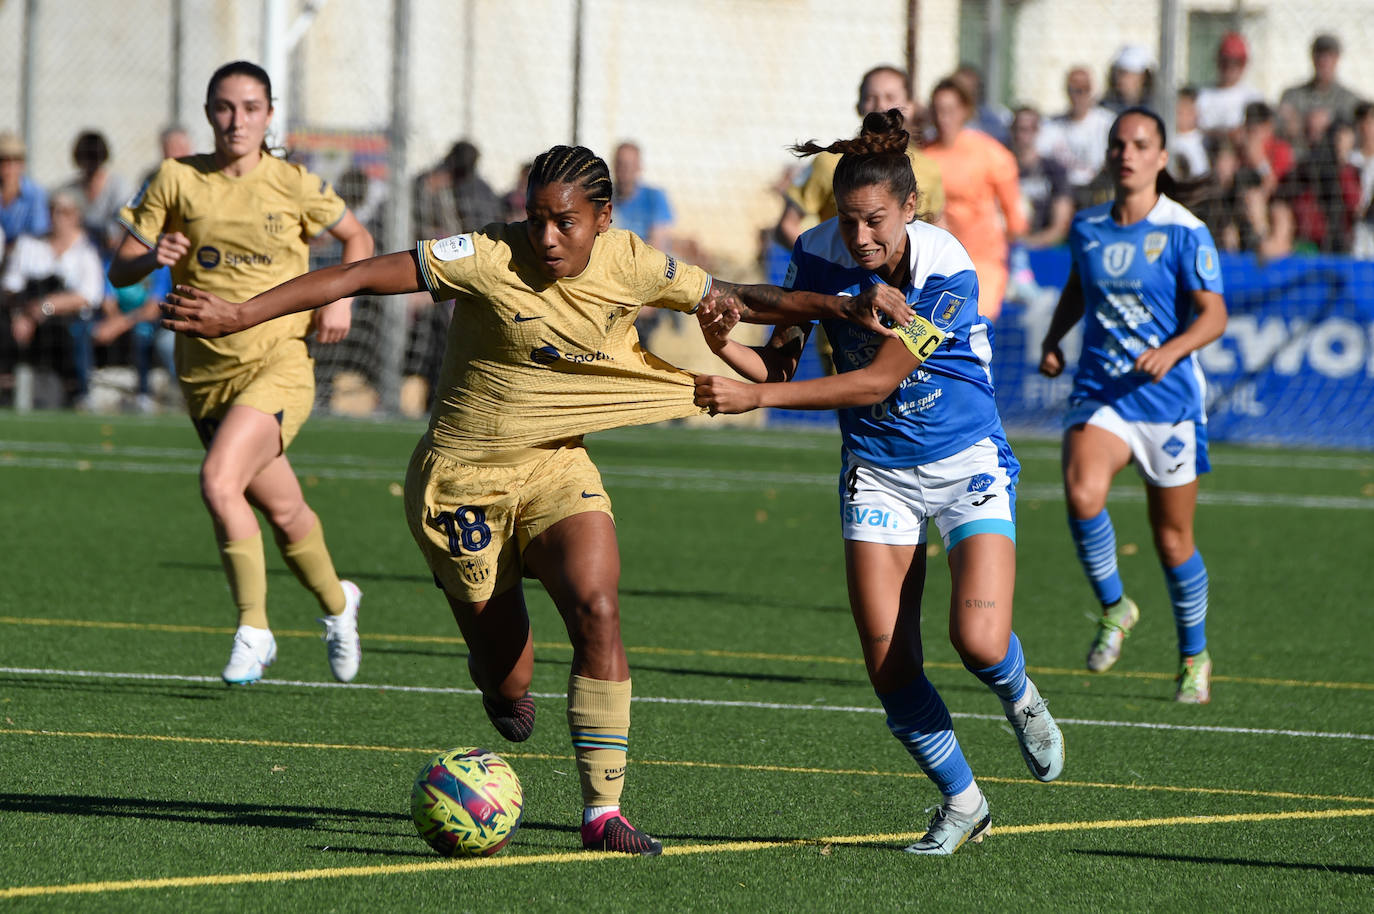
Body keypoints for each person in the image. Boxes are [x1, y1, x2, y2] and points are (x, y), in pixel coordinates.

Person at [160, 142, 909, 855]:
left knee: (598, 608)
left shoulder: (631, 261)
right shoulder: (485, 255)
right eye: (537, 218)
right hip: (459, 483)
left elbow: (736, 296)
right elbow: (355, 276)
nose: (547, 237)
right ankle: (494, 683)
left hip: (554, 467)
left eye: (565, 222)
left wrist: (840, 306)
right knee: (509, 684)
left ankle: (602, 812)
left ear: (603, 219)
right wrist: (240, 313)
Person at [693, 110, 1065, 856]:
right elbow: (781, 361)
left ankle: (1020, 695)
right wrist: (724, 344)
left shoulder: (946, 265)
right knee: (888, 662)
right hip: (876, 472)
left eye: (876, 221)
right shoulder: (814, 252)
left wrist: (756, 400)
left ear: (910, 208)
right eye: (847, 219)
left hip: (964, 462)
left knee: (979, 642)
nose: (861, 238)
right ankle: (963, 803)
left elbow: (875, 380)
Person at [108, 60, 374, 686]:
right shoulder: (176, 179)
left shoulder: (293, 182)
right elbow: (119, 270)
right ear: (208, 113)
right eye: (225, 107)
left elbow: (357, 238)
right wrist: (152, 256)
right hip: (205, 376)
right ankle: (339, 604)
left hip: (279, 363)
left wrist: (340, 299)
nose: (237, 120)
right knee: (284, 512)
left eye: (251, 108)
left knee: (218, 482)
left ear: (268, 115)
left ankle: (254, 629)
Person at [1037, 107, 1228, 703]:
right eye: (1119, 144)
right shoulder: (1088, 226)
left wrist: (1172, 350)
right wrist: (1053, 338)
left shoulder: (1184, 230)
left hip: (1167, 403)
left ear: (1161, 157)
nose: (1127, 154)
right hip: (1102, 392)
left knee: (1172, 541)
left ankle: (1194, 655)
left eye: (1141, 145)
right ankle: (1115, 606)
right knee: (1082, 494)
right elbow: (1078, 287)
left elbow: (1214, 315)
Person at [776, 65, 945, 247]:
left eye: (890, 97)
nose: (880, 106)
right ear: (859, 106)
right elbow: (787, 226)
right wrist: (823, 259)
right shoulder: (830, 163)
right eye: (871, 98)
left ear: (911, 106)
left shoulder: (928, 168)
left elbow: (939, 230)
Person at [924, 78, 1027, 320]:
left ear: (965, 111)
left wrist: (1014, 244)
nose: (943, 118)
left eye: (950, 110)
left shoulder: (990, 153)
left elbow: (1014, 213)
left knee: (975, 322)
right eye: (937, 110)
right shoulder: (924, 156)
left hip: (982, 259)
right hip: (937, 261)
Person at [1, 190, 106, 407]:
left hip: (68, 320)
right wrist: (22, 315)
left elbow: (89, 296)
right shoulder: (29, 244)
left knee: (77, 332)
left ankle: (78, 392)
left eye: (64, 211)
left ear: (76, 215)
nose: (57, 217)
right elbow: (10, 287)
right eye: (53, 210)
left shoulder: (86, 250)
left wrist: (46, 307)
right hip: (25, 314)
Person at [1038, 66, 1118, 201]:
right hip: (1062, 193)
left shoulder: (1107, 123)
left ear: (1092, 91)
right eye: (1074, 90)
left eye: (1084, 89)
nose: (1078, 95)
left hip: (1098, 191)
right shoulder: (1051, 126)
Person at [1278, 34, 1365, 154]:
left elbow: (1365, 134)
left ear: (1337, 59)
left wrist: (1332, 121)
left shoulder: (1351, 100)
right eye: (1319, 55)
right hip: (1299, 159)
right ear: (1312, 57)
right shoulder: (1293, 95)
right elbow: (1276, 127)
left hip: (1335, 161)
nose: (1324, 61)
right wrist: (1302, 123)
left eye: (1329, 56)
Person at [61, 130, 132, 258]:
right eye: (86, 157)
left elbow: (126, 222)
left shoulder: (118, 186)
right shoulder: (72, 190)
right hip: (81, 252)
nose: (90, 163)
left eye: (94, 157)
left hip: (113, 253)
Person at [1011, 107, 1074, 248]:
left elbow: (1060, 225)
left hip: (1045, 248)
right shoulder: (1002, 169)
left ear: (1037, 131)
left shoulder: (1054, 170)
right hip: (1010, 245)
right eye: (1017, 129)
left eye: (1027, 129)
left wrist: (1031, 243)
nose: (1020, 135)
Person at [1194, 32, 1263, 137]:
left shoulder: (1253, 98)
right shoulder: (1201, 95)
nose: (1230, 67)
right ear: (1218, 61)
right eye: (1225, 61)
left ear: (1245, 65)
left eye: (1237, 62)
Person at [611, 142, 674, 251]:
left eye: (630, 165)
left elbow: (656, 246)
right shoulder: (604, 198)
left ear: (639, 167)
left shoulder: (654, 198)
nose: (625, 170)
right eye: (621, 164)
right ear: (614, 166)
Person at [0, 131, 50, 252]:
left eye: (16, 160)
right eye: (4, 160)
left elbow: (38, 234)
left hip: (24, 255)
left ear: (23, 163)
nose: (10, 166)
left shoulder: (36, 194)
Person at [1169, 88, 1211, 180]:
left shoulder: (1207, 142)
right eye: (1180, 111)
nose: (1184, 115)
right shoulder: (1167, 139)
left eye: (1188, 110)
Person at [1101, 45, 1155, 114]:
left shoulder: (1156, 108)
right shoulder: (1104, 109)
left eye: (1125, 73)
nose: (1119, 79)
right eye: (1117, 73)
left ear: (1142, 77)